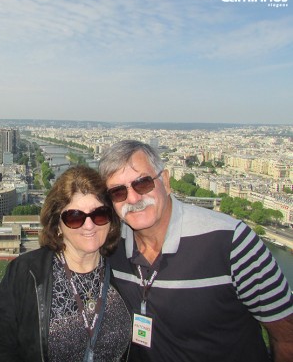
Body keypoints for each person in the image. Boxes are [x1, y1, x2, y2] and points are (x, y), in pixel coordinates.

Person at [98, 140, 293, 362]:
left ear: (166, 181)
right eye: (118, 192)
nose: (133, 198)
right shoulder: (111, 246)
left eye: (142, 183)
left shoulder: (232, 242)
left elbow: (286, 336)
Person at [0, 165, 132, 362]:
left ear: (110, 219)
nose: (89, 225)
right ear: (57, 224)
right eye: (75, 217)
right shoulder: (27, 272)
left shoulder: (124, 266)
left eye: (99, 214)